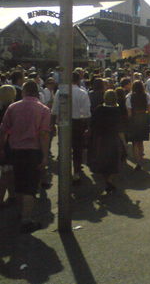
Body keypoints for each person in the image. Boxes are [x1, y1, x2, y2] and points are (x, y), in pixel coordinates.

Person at [0, 80, 51, 233]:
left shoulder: (13, 107)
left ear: (23, 92)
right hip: (32, 150)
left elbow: (3, 130)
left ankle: (21, 212)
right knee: (30, 186)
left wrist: (2, 149)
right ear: (37, 92)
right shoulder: (43, 109)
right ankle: (26, 219)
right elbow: (43, 134)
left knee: (19, 182)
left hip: (15, 150)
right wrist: (45, 155)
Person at [52, 71, 91, 182]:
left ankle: (65, 172)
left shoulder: (60, 92)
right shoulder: (82, 93)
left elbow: (54, 110)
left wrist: (52, 125)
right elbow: (87, 112)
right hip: (78, 123)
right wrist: (88, 126)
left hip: (63, 122)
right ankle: (77, 172)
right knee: (77, 149)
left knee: (64, 148)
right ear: (78, 80)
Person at [89, 89, 125, 192]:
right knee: (115, 160)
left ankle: (106, 179)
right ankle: (109, 180)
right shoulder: (117, 111)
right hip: (113, 138)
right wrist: (124, 142)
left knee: (103, 159)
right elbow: (119, 128)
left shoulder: (99, 109)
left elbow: (92, 124)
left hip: (100, 138)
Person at [126, 80, 150, 170]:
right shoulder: (147, 96)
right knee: (141, 141)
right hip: (143, 118)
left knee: (134, 141)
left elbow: (129, 112)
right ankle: (141, 158)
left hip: (134, 119)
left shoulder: (129, 96)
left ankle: (138, 161)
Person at [0, 85, 17, 207]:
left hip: (5, 144)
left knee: (8, 172)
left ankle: (12, 195)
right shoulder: (11, 109)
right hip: (8, 144)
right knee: (7, 173)